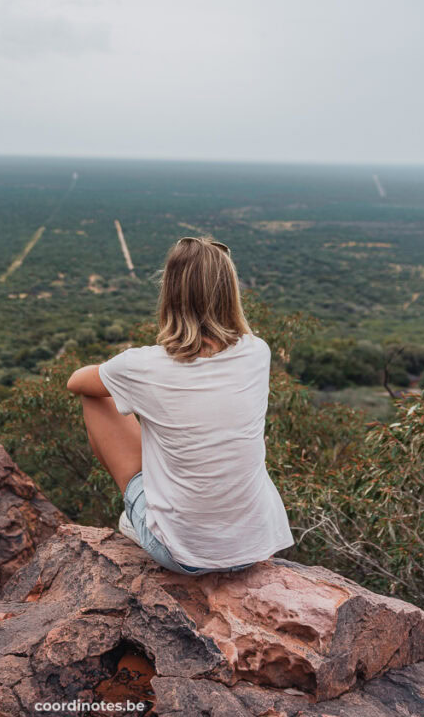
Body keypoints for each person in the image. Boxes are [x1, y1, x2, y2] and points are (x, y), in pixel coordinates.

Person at [66, 235, 294, 575]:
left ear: (169, 293)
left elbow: (76, 381)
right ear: (230, 292)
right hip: (254, 547)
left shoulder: (143, 366)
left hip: (183, 554)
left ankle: (138, 516)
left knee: (96, 396)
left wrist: (123, 375)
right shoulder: (257, 352)